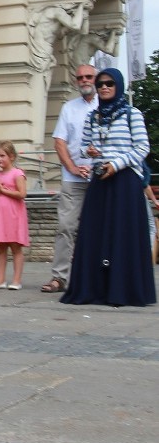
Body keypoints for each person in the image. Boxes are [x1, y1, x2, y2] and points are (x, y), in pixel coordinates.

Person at [62, 68, 155, 308]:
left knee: (123, 233)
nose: (104, 87)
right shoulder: (93, 117)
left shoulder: (131, 113)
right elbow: (83, 147)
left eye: (109, 84)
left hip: (125, 180)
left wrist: (116, 164)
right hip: (100, 178)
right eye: (101, 83)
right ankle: (97, 287)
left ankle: (125, 289)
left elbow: (142, 148)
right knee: (95, 233)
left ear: (118, 86)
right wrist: (89, 152)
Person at [41, 64, 97, 293]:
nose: (84, 80)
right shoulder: (69, 108)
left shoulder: (107, 106)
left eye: (89, 77)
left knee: (98, 228)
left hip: (102, 178)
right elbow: (59, 142)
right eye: (80, 77)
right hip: (73, 179)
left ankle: (96, 277)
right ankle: (59, 277)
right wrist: (73, 168)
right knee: (65, 227)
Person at [0, 142, 28, 290]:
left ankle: (16, 280)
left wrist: (3, 191)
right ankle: (0, 279)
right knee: (1, 247)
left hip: (14, 214)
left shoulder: (18, 173)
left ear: (11, 156)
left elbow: (22, 194)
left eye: (2, 156)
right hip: (0, 215)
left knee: (15, 247)